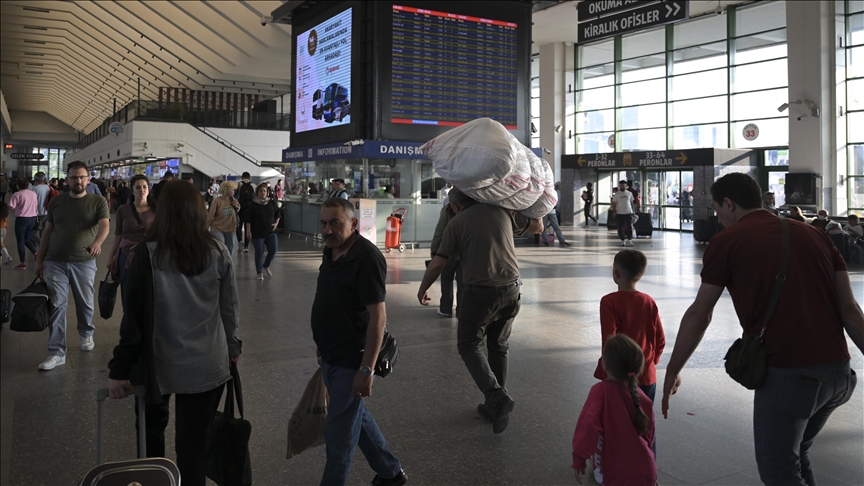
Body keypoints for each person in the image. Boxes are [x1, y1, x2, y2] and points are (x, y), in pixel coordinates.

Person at [661, 172, 864, 486]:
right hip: (839, 374)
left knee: (780, 472)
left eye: (717, 209)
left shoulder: (727, 241)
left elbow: (701, 313)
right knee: (797, 455)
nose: (717, 218)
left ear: (729, 204)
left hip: (790, 377)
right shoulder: (815, 234)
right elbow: (850, 310)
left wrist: (673, 368)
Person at [107, 180, 241, 486]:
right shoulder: (218, 251)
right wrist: (233, 348)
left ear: (163, 211)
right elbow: (230, 309)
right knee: (192, 446)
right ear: (199, 211)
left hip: (158, 366)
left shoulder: (146, 254)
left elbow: (134, 319)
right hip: (208, 365)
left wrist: (120, 368)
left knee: (151, 438)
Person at [417, 188, 543, 434]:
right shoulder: (502, 210)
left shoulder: (457, 222)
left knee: (468, 345)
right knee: (498, 346)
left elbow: (439, 262)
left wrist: (422, 289)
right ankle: (495, 403)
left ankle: (497, 397)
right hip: (512, 291)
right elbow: (537, 226)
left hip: (480, 293)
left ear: (455, 206)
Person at [311, 197, 407, 486]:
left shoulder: (366, 258)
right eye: (324, 224)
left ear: (353, 223)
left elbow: (378, 318)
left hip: (352, 361)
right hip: (330, 355)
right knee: (355, 416)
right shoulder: (331, 250)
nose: (327, 230)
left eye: (335, 223)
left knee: (339, 439)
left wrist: (366, 371)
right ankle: (391, 473)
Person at [34, 161, 110, 371]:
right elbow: (47, 232)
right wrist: (40, 260)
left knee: (84, 302)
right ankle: (57, 352)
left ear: (88, 179)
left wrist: (97, 242)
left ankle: (86, 333)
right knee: (57, 305)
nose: (78, 181)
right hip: (55, 261)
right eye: (74, 177)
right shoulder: (56, 202)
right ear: (67, 179)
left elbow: (105, 225)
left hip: (83, 262)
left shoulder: (98, 201)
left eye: (82, 177)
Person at [594, 249, 664, 460]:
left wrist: (609, 370)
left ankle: (616, 467)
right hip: (647, 377)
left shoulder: (609, 302)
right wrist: (649, 364)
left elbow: (610, 340)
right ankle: (648, 467)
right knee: (645, 423)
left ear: (616, 273)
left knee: (615, 424)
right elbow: (660, 340)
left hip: (619, 378)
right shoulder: (648, 301)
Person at [573, 334, 656, 486]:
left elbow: (587, 426)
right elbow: (649, 434)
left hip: (618, 472)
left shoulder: (600, 392)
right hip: (647, 470)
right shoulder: (640, 396)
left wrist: (579, 458)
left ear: (605, 365)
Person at [107, 175, 155, 310]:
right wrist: (111, 258)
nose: (142, 190)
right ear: (132, 191)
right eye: (138, 187)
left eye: (145, 187)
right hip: (126, 255)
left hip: (148, 256)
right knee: (127, 290)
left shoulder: (156, 210)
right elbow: (118, 235)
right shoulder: (123, 209)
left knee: (147, 290)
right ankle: (129, 320)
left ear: (149, 189)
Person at [430, 202, 463, 318]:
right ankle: (461, 310)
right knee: (462, 280)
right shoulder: (472, 209)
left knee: (446, 278)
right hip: (465, 250)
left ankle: (445, 308)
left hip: (448, 250)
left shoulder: (448, 209)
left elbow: (439, 231)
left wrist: (434, 249)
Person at [244, 183, 280, 280]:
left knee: (273, 251)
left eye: (265, 191)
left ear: (267, 192)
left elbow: (278, 214)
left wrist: (276, 224)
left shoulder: (272, 202)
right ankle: (259, 272)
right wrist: (248, 231)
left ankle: (266, 265)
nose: (263, 193)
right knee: (259, 252)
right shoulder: (253, 204)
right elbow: (248, 219)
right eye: (261, 191)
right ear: (257, 193)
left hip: (270, 231)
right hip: (257, 233)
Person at [8, 178, 39, 269]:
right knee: (27, 240)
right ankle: (35, 253)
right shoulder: (33, 193)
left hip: (22, 219)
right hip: (32, 218)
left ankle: (22, 262)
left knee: (20, 241)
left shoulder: (17, 194)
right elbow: (36, 205)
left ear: (18, 186)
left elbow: (11, 207)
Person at [207, 181, 240, 256]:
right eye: (232, 190)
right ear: (227, 190)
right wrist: (206, 227)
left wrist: (236, 206)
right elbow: (211, 215)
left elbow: (238, 210)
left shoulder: (233, 200)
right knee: (220, 248)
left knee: (230, 250)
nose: (234, 192)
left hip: (231, 228)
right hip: (217, 228)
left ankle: (227, 265)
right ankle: (220, 265)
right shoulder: (217, 201)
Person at [235, 172, 255, 253]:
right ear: (249, 178)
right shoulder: (253, 185)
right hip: (250, 209)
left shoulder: (238, 184)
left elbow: (234, 195)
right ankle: (246, 246)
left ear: (242, 177)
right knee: (248, 227)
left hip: (240, 208)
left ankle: (240, 240)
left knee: (239, 226)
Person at [612, 180, 635, 247]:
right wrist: (614, 211)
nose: (622, 187)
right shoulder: (617, 194)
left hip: (628, 212)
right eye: (620, 185)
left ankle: (629, 240)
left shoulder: (629, 193)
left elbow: (632, 203)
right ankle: (622, 240)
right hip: (619, 213)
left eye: (623, 185)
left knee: (629, 227)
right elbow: (614, 203)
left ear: (626, 186)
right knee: (620, 227)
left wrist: (633, 211)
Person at [31, 172, 51, 242]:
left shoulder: (35, 189)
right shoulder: (48, 187)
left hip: (38, 213)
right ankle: (44, 247)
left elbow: (32, 201)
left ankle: (41, 246)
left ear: (35, 179)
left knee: (33, 232)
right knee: (43, 232)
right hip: (47, 212)